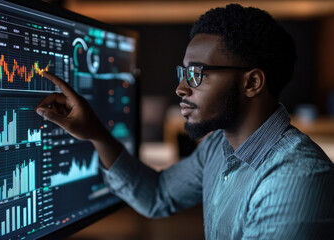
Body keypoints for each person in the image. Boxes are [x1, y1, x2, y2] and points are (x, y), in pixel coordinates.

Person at [36, 4, 334, 239]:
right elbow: (158, 194)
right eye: (183, 73)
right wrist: (95, 133)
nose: (180, 88)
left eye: (197, 74)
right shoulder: (219, 144)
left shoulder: (297, 179)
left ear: (252, 82)